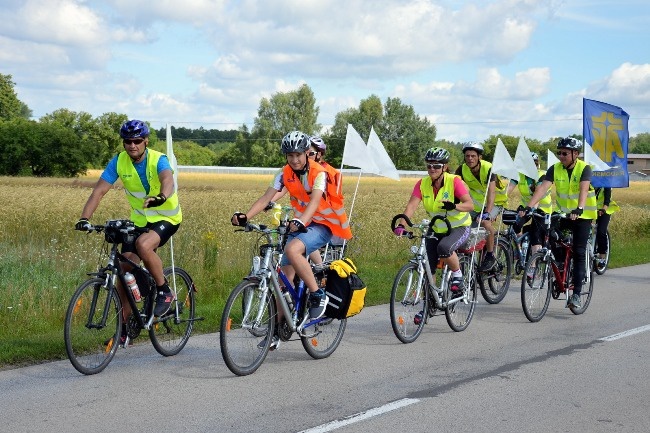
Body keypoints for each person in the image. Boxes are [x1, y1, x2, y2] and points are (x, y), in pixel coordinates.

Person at [231, 130, 353, 349]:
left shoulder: (319, 173)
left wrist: (302, 221)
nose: (294, 160)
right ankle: (278, 330)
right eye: (290, 155)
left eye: (298, 155)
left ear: (307, 153)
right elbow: (266, 197)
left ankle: (317, 294)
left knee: (292, 250)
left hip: (323, 224)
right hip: (300, 223)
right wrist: (246, 216)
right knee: (281, 282)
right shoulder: (284, 173)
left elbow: (315, 201)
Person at [75, 119, 182, 345]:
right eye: (127, 141)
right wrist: (85, 218)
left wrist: (161, 197)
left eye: (136, 141)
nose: (132, 145)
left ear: (145, 141)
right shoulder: (119, 162)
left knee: (144, 245)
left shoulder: (158, 159)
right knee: (123, 270)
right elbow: (99, 191)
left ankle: (164, 290)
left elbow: (167, 180)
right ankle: (125, 328)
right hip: (139, 220)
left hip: (167, 217)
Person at [394, 147, 473, 323]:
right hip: (437, 227)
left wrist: (454, 206)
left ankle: (458, 275)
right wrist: (402, 224)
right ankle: (428, 306)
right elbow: (411, 207)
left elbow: (469, 205)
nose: (432, 169)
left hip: (459, 227)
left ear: (445, 167)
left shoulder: (454, 182)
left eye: (436, 166)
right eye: (429, 166)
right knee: (427, 265)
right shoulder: (422, 184)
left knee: (444, 248)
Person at [520, 137, 597, 308]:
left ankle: (576, 294)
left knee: (578, 251)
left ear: (575, 154)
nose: (561, 156)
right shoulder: (555, 169)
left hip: (582, 215)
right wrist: (529, 207)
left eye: (565, 153)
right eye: (559, 153)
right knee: (545, 231)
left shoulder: (584, 168)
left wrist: (580, 208)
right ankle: (560, 263)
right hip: (563, 214)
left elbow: (584, 189)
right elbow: (542, 188)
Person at [454, 142, 500, 271]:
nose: (470, 159)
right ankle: (467, 259)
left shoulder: (489, 168)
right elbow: (453, 186)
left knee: (485, 223)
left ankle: (490, 254)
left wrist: (487, 212)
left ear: (479, 157)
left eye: (473, 156)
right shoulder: (462, 169)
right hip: (476, 205)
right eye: (467, 156)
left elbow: (491, 192)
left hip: (495, 202)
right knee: (460, 223)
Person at [508, 152, 553, 260]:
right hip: (526, 207)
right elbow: (507, 190)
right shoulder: (519, 175)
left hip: (543, 209)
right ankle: (519, 248)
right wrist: (499, 201)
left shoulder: (542, 175)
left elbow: (538, 195)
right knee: (515, 225)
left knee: (535, 233)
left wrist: (530, 209)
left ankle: (533, 265)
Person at [594, 186, 619, 265]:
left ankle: (602, 256)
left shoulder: (606, 183)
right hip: (591, 210)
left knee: (601, 231)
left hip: (605, 209)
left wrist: (603, 209)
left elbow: (607, 199)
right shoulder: (588, 182)